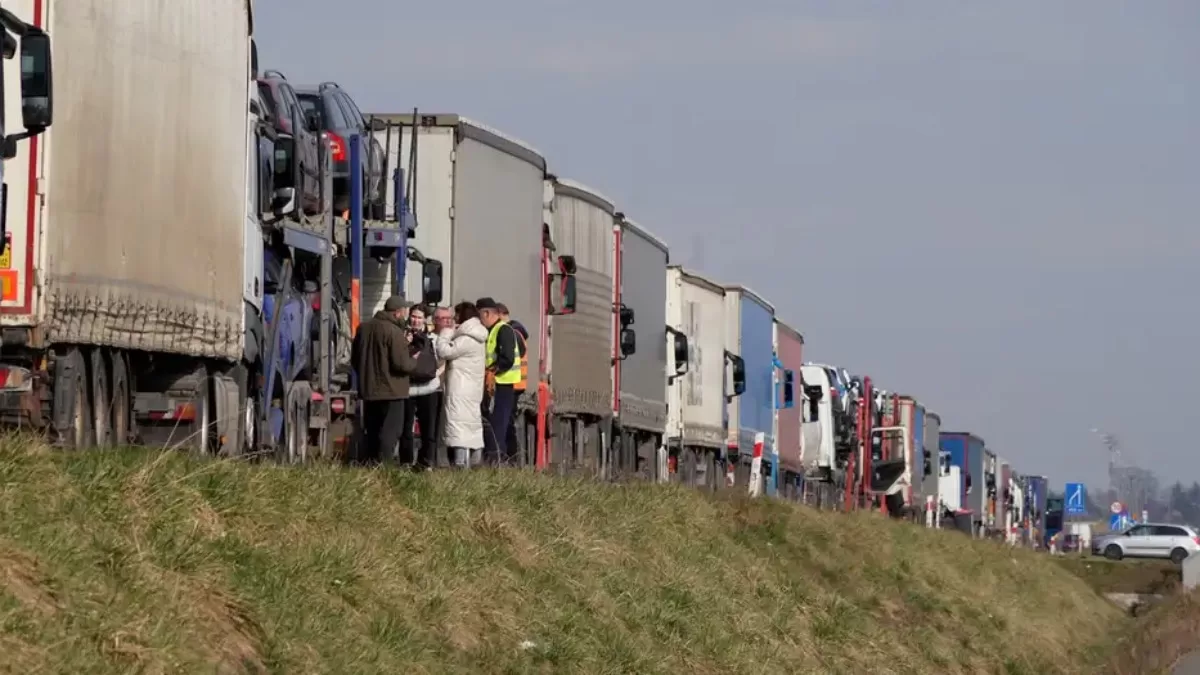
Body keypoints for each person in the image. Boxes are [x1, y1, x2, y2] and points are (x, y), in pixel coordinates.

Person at [350, 296, 419, 465]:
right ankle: (385, 466)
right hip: (392, 391)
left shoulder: (363, 328)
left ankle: (370, 463)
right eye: (404, 313)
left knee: (372, 430)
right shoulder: (394, 332)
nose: (405, 316)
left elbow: (355, 359)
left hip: (369, 390)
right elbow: (401, 364)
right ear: (397, 313)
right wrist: (414, 360)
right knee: (391, 431)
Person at [436, 301, 488, 467]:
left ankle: (461, 463)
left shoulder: (467, 338)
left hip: (460, 389)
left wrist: (444, 334)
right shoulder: (477, 336)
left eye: (455, 316)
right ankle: (474, 461)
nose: (453, 320)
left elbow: (445, 351)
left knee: (458, 426)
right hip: (471, 389)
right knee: (470, 425)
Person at [476, 297, 521, 465]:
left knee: (498, 424)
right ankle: (494, 458)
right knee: (494, 423)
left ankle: (496, 460)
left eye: (480, 315)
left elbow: (507, 358)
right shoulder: (494, 330)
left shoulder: (503, 330)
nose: (479, 320)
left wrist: (492, 371)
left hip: (501, 385)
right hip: (495, 384)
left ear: (487, 313)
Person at [399, 304, 442, 471]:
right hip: (408, 388)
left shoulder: (433, 338)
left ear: (425, 319)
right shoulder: (402, 336)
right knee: (405, 429)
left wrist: (435, 373)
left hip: (429, 389)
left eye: (419, 317)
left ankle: (426, 462)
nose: (416, 320)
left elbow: (444, 359)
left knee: (428, 428)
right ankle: (406, 462)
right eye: (413, 316)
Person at [496, 303, 529, 457]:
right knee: (507, 421)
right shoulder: (517, 331)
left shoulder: (511, 332)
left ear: (501, 314)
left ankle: (510, 455)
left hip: (511, 382)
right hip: (515, 383)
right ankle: (510, 455)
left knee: (506, 422)